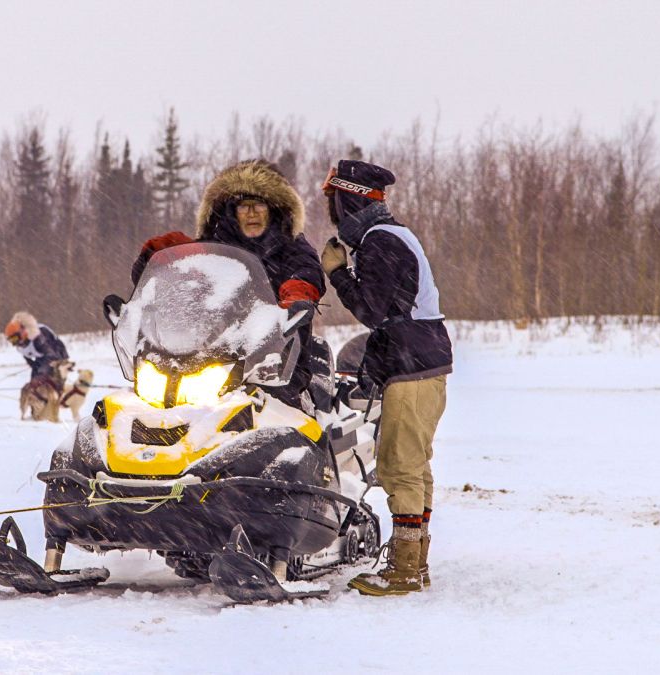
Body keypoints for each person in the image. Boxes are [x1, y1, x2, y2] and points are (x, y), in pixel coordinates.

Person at [319, 159, 453, 596]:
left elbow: (373, 311)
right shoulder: (390, 237)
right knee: (412, 467)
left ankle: (405, 571)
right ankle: (412, 563)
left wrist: (338, 273)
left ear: (345, 200)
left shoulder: (380, 242)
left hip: (413, 367)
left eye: (333, 202)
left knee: (401, 468)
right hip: (418, 364)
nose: (331, 212)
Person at [131, 160, 325, 410]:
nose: (252, 213)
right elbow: (172, 275)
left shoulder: (292, 247)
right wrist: (162, 257)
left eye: (260, 205)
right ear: (231, 211)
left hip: (274, 360)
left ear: (275, 209)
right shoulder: (210, 247)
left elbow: (307, 272)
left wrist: (298, 293)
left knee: (280, 412)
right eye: (244, 206)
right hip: (208, 356)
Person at [4, 311, 69, 381]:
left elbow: (51, 355)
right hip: (42, 356)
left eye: (15, 338)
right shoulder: (20, 345)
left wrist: (42, 370)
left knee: (51, 380)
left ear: (22, 332)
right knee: (34, 382)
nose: (16, 342)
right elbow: (26, 355)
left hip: (57, 353)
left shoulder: (38, 339)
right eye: (12, 340)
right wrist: (34, 366)